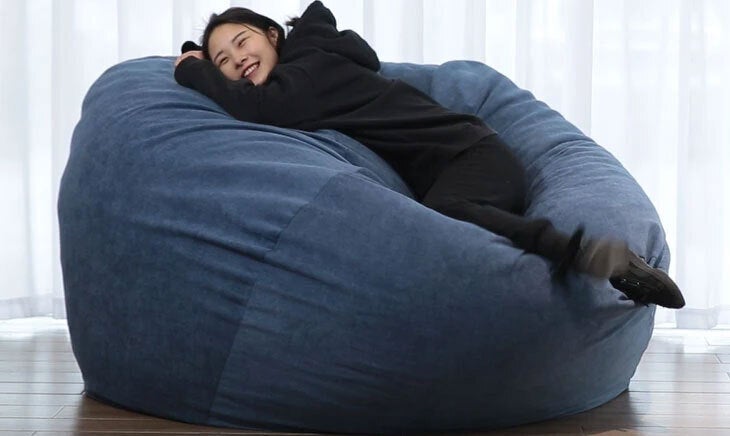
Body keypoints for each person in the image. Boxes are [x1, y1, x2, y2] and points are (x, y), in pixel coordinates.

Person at [173, 1, 685, 309]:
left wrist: (192, 68)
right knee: (449, 231)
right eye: (223, 60)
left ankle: (588, 254)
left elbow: (260, 108)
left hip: (471, 158)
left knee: (443, 215)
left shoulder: (307, 71)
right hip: (467, 162)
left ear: (272, 35)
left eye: (242, 42)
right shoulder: (317, 59)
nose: (238, 59)